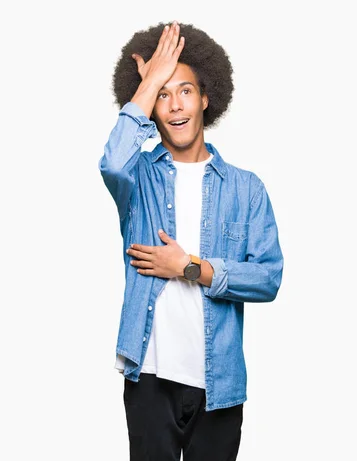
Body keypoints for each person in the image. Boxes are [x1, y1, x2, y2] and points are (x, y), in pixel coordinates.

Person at [99, 20, 284, 461]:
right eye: (163, 95)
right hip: (149, 379)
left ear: (206, 98)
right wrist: (146, 87)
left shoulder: (246, 188)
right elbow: (111, 162)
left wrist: (189, 267)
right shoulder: (138, 178)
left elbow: (268, 278)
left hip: (218, 385)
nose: (175, 105)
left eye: (184, 90)